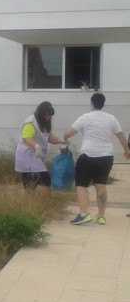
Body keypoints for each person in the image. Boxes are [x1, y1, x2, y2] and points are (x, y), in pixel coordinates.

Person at [63, 93, 130, 225]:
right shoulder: (111, 118)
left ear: (91, 103)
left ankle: (83, 214)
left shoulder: (85, 118)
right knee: (100, 185)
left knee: (81, 185)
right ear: (103, 104)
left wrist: (65, 138)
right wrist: (127, 150)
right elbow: (120, 136)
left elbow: (68, 133)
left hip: (87, 155)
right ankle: (101, 216)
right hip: (106, 156)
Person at [14, 101, 66, 206]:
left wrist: (60, 140)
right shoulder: (31, 121)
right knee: (45, 180)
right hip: (27, 156)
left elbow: (48, 136)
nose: (48, 118)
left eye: (50, 116)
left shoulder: (44, 123)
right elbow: (26, 137)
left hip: (34, 157)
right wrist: (35, 145)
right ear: (41, 113)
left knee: (29, 187)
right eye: (47, 115)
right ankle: (45, 206)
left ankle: (23, 209)